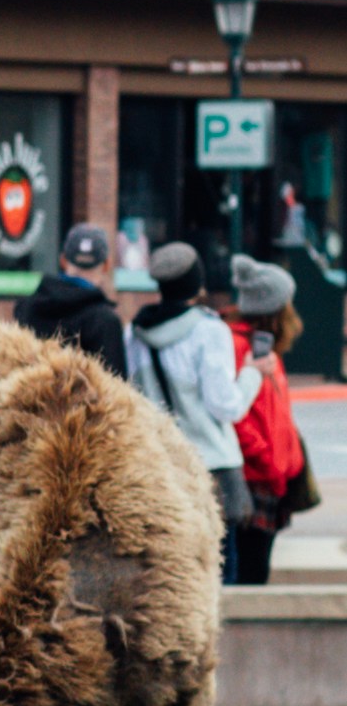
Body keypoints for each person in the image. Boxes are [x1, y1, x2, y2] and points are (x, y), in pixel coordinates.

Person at [124, 240, 260, 583]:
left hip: (163, 464)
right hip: (213, 465)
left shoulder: (135, 332)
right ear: (196, 284)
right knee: (221, 566)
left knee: (173, 569)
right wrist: (253, 375)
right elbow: (225, 405)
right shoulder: (208, 330)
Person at [228, 254, 313, 586]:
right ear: (276, 310)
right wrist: (266, 458)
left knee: (257, 568)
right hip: (256, 478)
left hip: (273, 478)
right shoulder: (238, 347)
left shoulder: (268, 350)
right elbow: (237, 414)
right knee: (250, 572)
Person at [18, 223, 131, 375]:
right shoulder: (106, 321)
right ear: (106, 265)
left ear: (63, 260)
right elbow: (117, 388)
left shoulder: (27, 308)